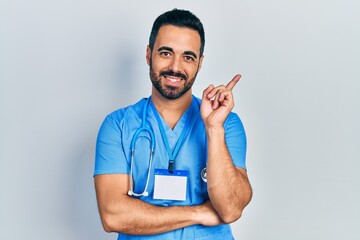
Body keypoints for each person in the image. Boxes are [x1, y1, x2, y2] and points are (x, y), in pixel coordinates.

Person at [94, 9, 252, 239]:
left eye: (188, 57)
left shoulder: (226, 124)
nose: (176, 67)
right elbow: (113, 216)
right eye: (166, 53)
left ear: (200, 63)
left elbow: (231, 208)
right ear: (149, 55)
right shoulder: (117, 126)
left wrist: (214, 130)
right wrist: (199, 213)